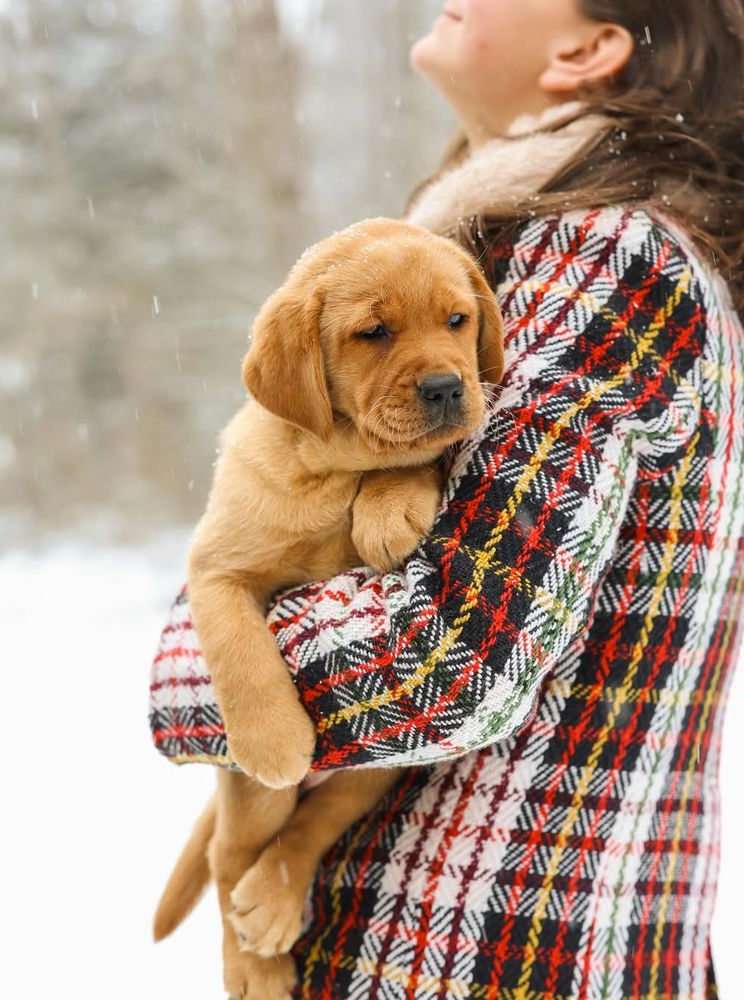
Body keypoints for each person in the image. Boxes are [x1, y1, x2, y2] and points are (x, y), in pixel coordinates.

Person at [150, 1, 744, 995]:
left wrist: (194, 655)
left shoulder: (606, 256)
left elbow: (451, 646)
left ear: (587, 49)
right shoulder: (515, 250)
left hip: (477, 947)